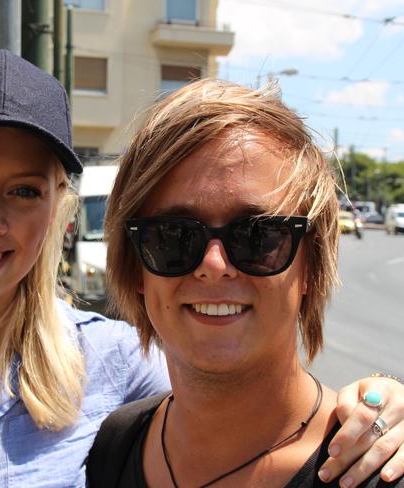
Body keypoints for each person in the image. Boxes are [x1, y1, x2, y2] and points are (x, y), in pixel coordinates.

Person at [0, 52, 404, 487]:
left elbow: (244, 390)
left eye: (22, 190)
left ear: (56, 212)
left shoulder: (121, 367)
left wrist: (377, 402)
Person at [88, 79, 404, 487]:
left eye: (259, 235)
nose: (214, 265)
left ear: (312, 263)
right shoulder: (116, 446)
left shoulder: (376, 472)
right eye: (172, 237)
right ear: (135, 268)